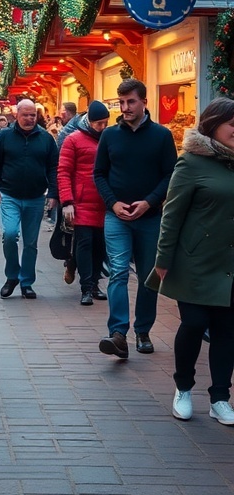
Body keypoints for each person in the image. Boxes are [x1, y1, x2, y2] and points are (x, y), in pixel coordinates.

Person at [149, 98, 234, 425]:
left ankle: (220, 398)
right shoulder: (192, 163)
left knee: (227, 330)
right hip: (195, 262)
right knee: (195, 323)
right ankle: (183, 388)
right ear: (213, 124)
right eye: (232, 125)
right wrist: (163, 258)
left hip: (229, 263)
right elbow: (172, 215)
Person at [94, 78, 177, 359]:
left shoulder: (162, 136)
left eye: (131, 101)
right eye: (121, 102)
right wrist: (113, 202)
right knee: (117, 271)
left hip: (150, 217)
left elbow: (170, 175)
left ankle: (143, 330)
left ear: (144, 102)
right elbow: (99, 173)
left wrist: (150, 201)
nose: (125, 107)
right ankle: (118, 333)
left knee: (147, 276)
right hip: (116, 216)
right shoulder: (109, 135)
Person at [0, 98, 58, 299]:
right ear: (16, 115)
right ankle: (12, 276)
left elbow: (54, 167)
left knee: (30, 243)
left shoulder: (46, 138)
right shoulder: (4, 136)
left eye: (32, 115)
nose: (29, 118)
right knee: (9, 235)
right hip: (9, 195)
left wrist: (53, 193)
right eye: (25, 115)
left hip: (36, 197)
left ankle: (27, 281)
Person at [58, 100, 109, 305]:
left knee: (100, 245)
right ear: (89, 121)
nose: (102, 127)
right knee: (85, 243)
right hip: (81, 202)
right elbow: (63, 171)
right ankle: (86, 287)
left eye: (105, 123)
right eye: (99, 123)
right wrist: (67, 201)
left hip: (105, 202)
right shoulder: (73, 140)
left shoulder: (109, 138)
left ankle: (95, 283)